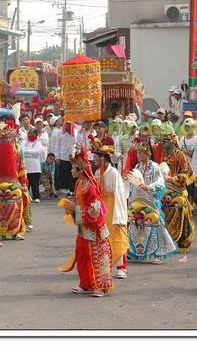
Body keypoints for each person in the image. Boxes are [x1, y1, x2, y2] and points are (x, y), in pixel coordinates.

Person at [59, 145, 113, 297]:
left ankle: (100, 286)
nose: (71, 171)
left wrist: (75, 208)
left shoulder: (90, 187)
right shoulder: (79, 184)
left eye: (73, 168)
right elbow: (80, 204)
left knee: (97, 255)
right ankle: (86, 284)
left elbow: (94, 210)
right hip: (84, 226)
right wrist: (71, 208)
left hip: (95, 227)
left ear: (80, 170)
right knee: (83, 254)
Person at [126, 141, 177, 264]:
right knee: (135, 223)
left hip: (151, 200)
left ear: (147, 153)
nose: (138, 155)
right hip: (138, 200)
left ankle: (157, 254)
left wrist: (149, 187)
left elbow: (160, 182)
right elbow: (132, 184)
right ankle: (134, 252)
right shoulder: (137, 167)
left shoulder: (154, 167)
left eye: (140, 153)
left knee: (154, 224)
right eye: (137, 153)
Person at [93, 138, 129, 279]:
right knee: (103, 237)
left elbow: (120, 194)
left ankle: (122, 267)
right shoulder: (97, 173)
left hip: (113, 206)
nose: (94, 160)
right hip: (102, 207)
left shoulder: (113, 173)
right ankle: (104, 265)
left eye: (96, 157)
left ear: (104, 158)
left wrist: (120, 215)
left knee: (117, 236)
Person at [0, 120, 28, 240]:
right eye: (2, 138)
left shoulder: (17, 150)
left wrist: (24, 183)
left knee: (17, 206)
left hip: (14, 184)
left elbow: (21, 167)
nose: (5, 141)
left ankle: (17, 230)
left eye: (7, 138)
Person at [160, 134, 196, 253]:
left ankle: (178, 240)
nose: (164, 144)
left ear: (173, 142)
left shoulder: (180, 156)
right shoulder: (164, 156)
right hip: (166, 189)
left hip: (178, 190)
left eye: (166, 141)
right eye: (163, 141)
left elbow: (186, 174)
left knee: (179, 210)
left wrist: (173, 179)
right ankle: (166, 241)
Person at [22, 128, 46, 203]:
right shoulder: (23, 142)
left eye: (33, 134)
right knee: (26, 183)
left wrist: (27, 152)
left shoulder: (38, 143)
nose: (31, 135)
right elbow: (22, 151)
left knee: (35, 183)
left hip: (35, 167)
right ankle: (27, 196)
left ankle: (36, 197)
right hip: (26, 166)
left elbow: (37, 153)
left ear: (36, 135)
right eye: (30, 134)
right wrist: (30, 153)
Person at [54, 121, 77, 197]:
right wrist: (57, 157)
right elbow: (57, 145)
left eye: (69, 124)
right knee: (65, 174)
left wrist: (73, 154)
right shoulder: (60, 133)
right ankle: (68, 190)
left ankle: (72, 190)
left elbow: (76, 145)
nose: (67, 126)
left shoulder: (75, 133)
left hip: (73, 158)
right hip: (63, 157)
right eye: (66, 124)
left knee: (73, 174)